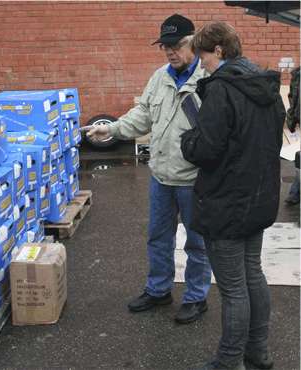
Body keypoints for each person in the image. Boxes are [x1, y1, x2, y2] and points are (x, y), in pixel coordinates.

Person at [86, 14, 211, 324]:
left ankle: (196, 297)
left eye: (177, 45)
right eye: (165, 46)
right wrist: (111, 130)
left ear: (193, 42)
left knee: (197, 242)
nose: (170, 51)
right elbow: (142, 116)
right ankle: (158, 290)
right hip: (161, 176)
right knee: (158, 237)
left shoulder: (208, 79)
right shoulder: (160, 77)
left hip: (195, 179)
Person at [180, 22, 285, 370]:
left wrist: (187, 140)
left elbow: (205, 150)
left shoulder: (221, 90)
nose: (201, 63)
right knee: (252, 274)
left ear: (219, 51)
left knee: (234, 288)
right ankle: (258, 353)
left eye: (203, 55)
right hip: (258, 199)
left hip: (226, 203)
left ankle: (229, 361)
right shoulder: (265, 85)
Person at [284, 66, 300, 205]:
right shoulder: (298, 74)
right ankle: (295, 192)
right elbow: (293, 96)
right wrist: (292, 120)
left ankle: (295, 191)